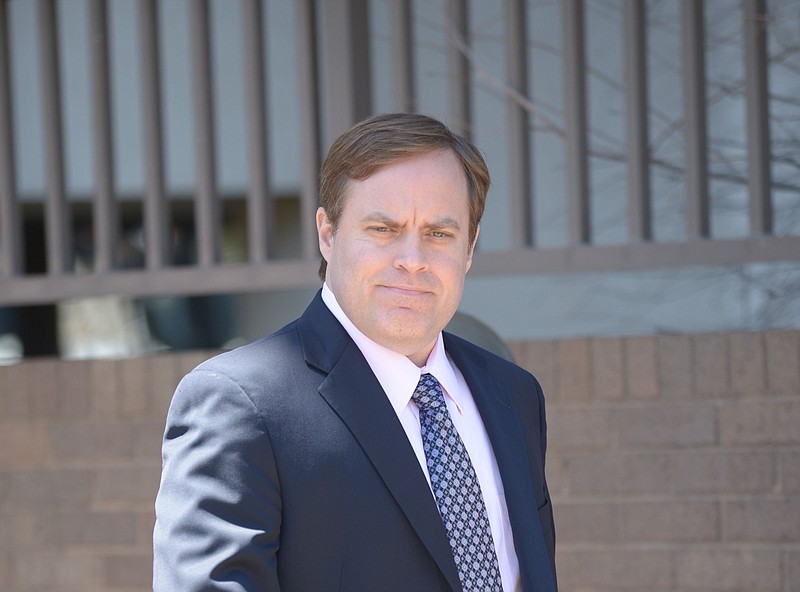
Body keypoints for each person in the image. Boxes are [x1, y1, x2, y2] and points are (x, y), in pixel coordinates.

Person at [153, 112, 557, 592]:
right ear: (327, 234)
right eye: (383, 229)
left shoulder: (513, 395)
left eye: (439, 233)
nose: (412, 259)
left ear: (469, 247)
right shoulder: (240, 404)